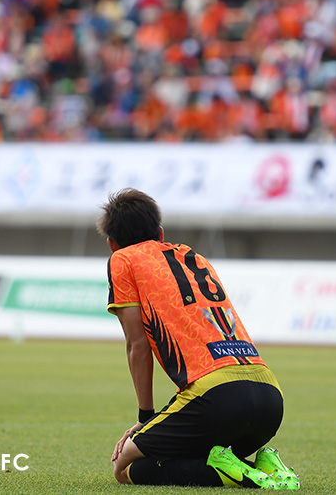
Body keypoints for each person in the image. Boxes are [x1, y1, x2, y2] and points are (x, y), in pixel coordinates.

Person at [99, 189, 298, 489]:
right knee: (191, 450)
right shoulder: (195, 257)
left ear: (112, 244)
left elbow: (137, 344)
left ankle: (229, 475)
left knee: (126, 467)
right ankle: (264, 464)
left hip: (216, 399)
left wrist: (145, 417)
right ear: (160, 233)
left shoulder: (122, 259)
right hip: (270, 399)